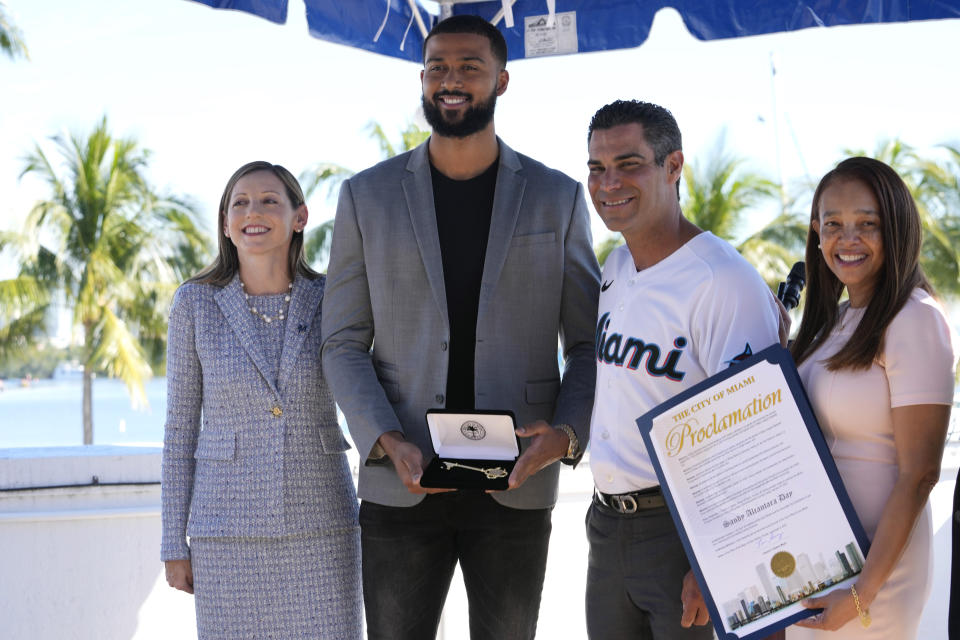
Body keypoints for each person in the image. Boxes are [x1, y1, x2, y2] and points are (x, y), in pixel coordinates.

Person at [320, 14, 601, 640]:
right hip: (402, 476)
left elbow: (586, 346)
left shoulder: (558, 197)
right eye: (438, 68)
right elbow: (341, 343)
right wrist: (385, 439)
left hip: (518, 483)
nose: (452, 80)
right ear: (422, 81)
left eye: (470, 67)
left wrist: (565, 436)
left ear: (502, 81)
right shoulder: (366, 196)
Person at [584, 99, 782, 639]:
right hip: (608, 524)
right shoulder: (617, 266)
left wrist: (720, 558)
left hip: (685, 533)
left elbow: (756, 436)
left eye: (629, 164)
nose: (609, 183)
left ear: (674, 168)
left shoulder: (723, 280)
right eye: (596, 168)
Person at [161, 161, 362, 639]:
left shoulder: (333, 296)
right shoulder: (194, 303)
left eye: (270, 200)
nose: (254, 211)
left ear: (300, 216)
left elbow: (366, 390)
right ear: (226, 223)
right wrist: (174, 542)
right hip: (225, 534)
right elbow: (180, 429)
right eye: (240, 203)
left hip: (323, 527)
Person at [787, 157, 955, 639]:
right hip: (818, 564)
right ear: (817, 234)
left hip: (876, 576)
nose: (848, 238)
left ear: (897, 228)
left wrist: (862, 591)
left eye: (868, 224)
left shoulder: (914, 318)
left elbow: (920, 474)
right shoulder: (832, 322)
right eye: (833, 224)